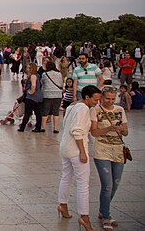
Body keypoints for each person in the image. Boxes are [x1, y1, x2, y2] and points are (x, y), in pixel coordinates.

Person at [57, 85, 101, 231]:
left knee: (66, 177)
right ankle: (84, 216)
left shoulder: (72, 107)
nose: (97, 102)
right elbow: (76, 131)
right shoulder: (83, 109)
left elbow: (66, 124)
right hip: (76, 149)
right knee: (83, 184)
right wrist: (83, 152)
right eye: (95, 99)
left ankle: (62, 204)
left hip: (65, 147)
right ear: (87, 97)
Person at [90, 86, 129, 230]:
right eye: (107, 98)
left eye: (113, 99)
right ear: (101, 97)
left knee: (115, 184)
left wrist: (121, 129)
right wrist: (109, 128)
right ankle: (106, 216)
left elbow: (126, 132)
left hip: (118, 150)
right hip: (102, 150)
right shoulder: (95, 110)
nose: (110, 101)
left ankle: (103, 209)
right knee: (107, 185)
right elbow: (94, 132)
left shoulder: (120, 110)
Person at [40, 61, 64, 133]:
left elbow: (42, 82)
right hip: (57, 95)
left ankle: (43, 127)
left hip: (47, 94)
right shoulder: (59, 74)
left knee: (45, 111)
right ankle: (55, 128)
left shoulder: (45, 74)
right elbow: (61, 84)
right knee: (56, 112)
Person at [18, 63, 42, 132]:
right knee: (38, 113)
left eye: (28, 68)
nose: (27, 69)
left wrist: (31, 91)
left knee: (27, 113)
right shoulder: (37, 75)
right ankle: (38, 127)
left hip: (32, 97)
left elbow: (33, 85)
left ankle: (22, 127)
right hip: (38, 97)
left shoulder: (33, 76)